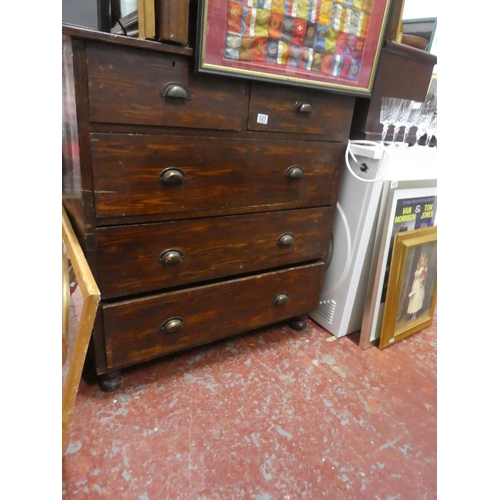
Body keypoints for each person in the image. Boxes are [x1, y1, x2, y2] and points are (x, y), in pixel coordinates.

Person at [407, 252, 428, 321]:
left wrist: (422, 279)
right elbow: (415, 278)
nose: (422, 262)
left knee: (416, 300)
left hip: (419, 286)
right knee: (413, 300)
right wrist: (413, 287)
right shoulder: (418, 268)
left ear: (425, 261)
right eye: (421, 260)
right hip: (415, 285)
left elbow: (424, 277)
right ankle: (413, 316)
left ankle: (414, 316)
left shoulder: (424, 269)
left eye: (423, 260)